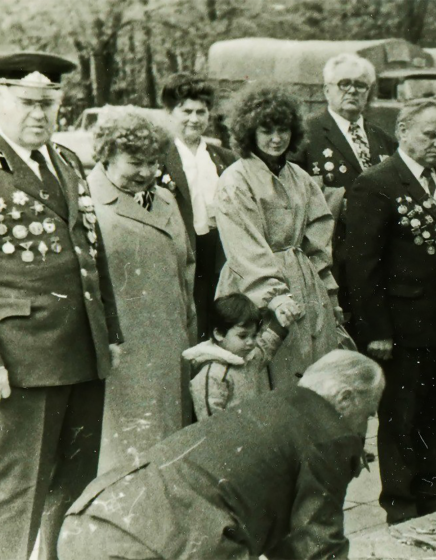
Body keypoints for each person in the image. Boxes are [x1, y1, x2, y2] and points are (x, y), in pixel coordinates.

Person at [57, 350, 384, 560]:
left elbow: (290, 540)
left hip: (90, 519)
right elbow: (317, 546)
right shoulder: (329, 433)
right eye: (368, 413)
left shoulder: (273, 403)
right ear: (345, 398)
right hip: (157, 545)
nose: (364, 425)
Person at [0, 52, 122, 560]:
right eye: (27, 103)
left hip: (82, 349)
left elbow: (92, 253)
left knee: (72, 486)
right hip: (24, 358)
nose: (39, 115)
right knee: (19, 493)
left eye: (48, 105)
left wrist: (110, 333)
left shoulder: (67, 161)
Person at [345, 99, 436, 524]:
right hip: (403, 327)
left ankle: (432, 491)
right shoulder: (376, 183)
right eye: (429, 134)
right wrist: (376, 330)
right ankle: (401, 504)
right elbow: (362, 266)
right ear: (403, 131)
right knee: (402, 418)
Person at [87, 107, 197, 472]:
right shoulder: (87, 203)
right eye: (136, 162)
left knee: (169, 447)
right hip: (124, 354)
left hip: (171, 345)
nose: (148, 172)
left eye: (154, 162)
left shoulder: (165, 199)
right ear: (107, 154)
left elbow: (186, 268)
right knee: (126, 456)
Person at [215, 84, 340, 389]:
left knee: (311, 373)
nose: (276, 138)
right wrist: (274, 296)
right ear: (249, 132)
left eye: (283, 129)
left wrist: (330, 297)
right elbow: (243, 244)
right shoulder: (235, 179)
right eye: (266, 129)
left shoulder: (301, 178)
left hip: (305, 283)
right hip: (253, 285)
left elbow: (318, 243)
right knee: (262, 375)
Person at [292, 53, 398, 332]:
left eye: (360, 85)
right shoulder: (305, 135)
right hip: (333, 257)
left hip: (381, 259)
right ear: (327, 89)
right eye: (344, 83)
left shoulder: (384, 140)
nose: (352, 90)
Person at [160, 73, 237, 340]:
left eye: (201, 112)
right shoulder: (158, 158)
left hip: (216, 250)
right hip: (180, 251)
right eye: (186, 111)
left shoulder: (225, 158)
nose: (194, 119)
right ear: (169, 112)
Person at [185, 293, 288, 419]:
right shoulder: (213, 374)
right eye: (242, 336)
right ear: (219, 334)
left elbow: (266, 347)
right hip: (229, 435)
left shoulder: (249, 357)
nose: (250, 342)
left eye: (254, 335)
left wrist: (281, 325)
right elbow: (209, 421)